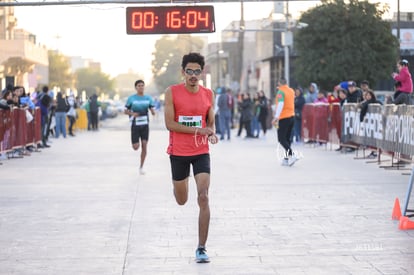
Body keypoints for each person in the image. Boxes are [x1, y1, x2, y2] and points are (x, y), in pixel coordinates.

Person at [164, 52, 218, 263]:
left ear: (201, 72)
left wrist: (211, 132)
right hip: (178, 153)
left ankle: (201, 248)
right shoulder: (172, 92)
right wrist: (198, 131)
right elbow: (170, 124)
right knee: (182, 200)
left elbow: (210, 121)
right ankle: (180, 185)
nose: (193, 75)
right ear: (183, 72)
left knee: (203, 196)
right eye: (189, 71)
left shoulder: (208, 93)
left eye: (197, 71)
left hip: (201, 152)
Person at [124, 80, 156, 175]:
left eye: (142, 85)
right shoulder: (131, 98)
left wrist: (153, 112)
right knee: (136, 147)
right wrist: (132, 113)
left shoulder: (148, 98)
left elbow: (151, 108)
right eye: (139, 86)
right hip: (135, 125)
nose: (141, 87)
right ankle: (135, 144)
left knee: (144, 145)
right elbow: (125, 111)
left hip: (145, 125)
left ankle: (141, 167)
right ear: (136, 87)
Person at [272, 78, 297, 166]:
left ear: (279, 83)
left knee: (281, 139)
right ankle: (286, 159)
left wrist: (276, 117)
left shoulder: (280, 92)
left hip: (284, 117)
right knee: (287, 139)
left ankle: (292, 154)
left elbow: (281, 104)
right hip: (292, 116)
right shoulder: (291, 91)